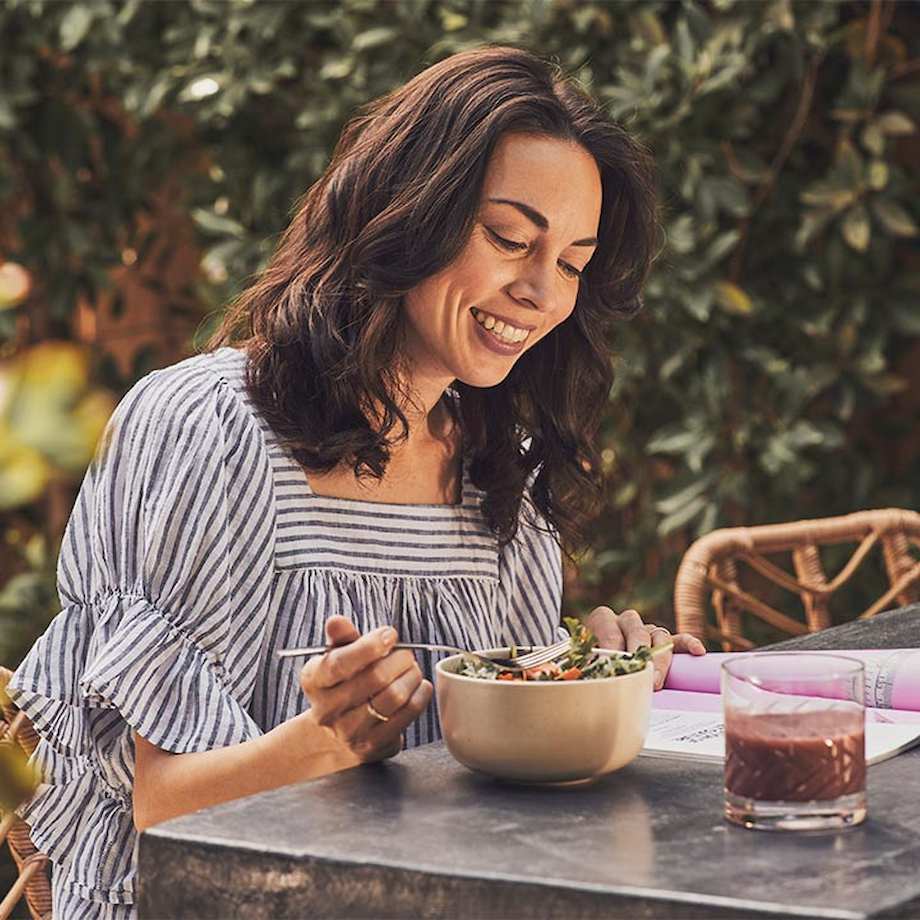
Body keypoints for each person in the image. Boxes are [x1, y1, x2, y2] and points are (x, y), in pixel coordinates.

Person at [8, 45, 705, 918]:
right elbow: (162, 805)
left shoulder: (497, 464)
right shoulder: (211, 426)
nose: (540, 291)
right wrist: (324, 742)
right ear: (404, 214)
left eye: (571, 263)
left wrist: (594, 683)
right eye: (509, 238)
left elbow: (497, 797)